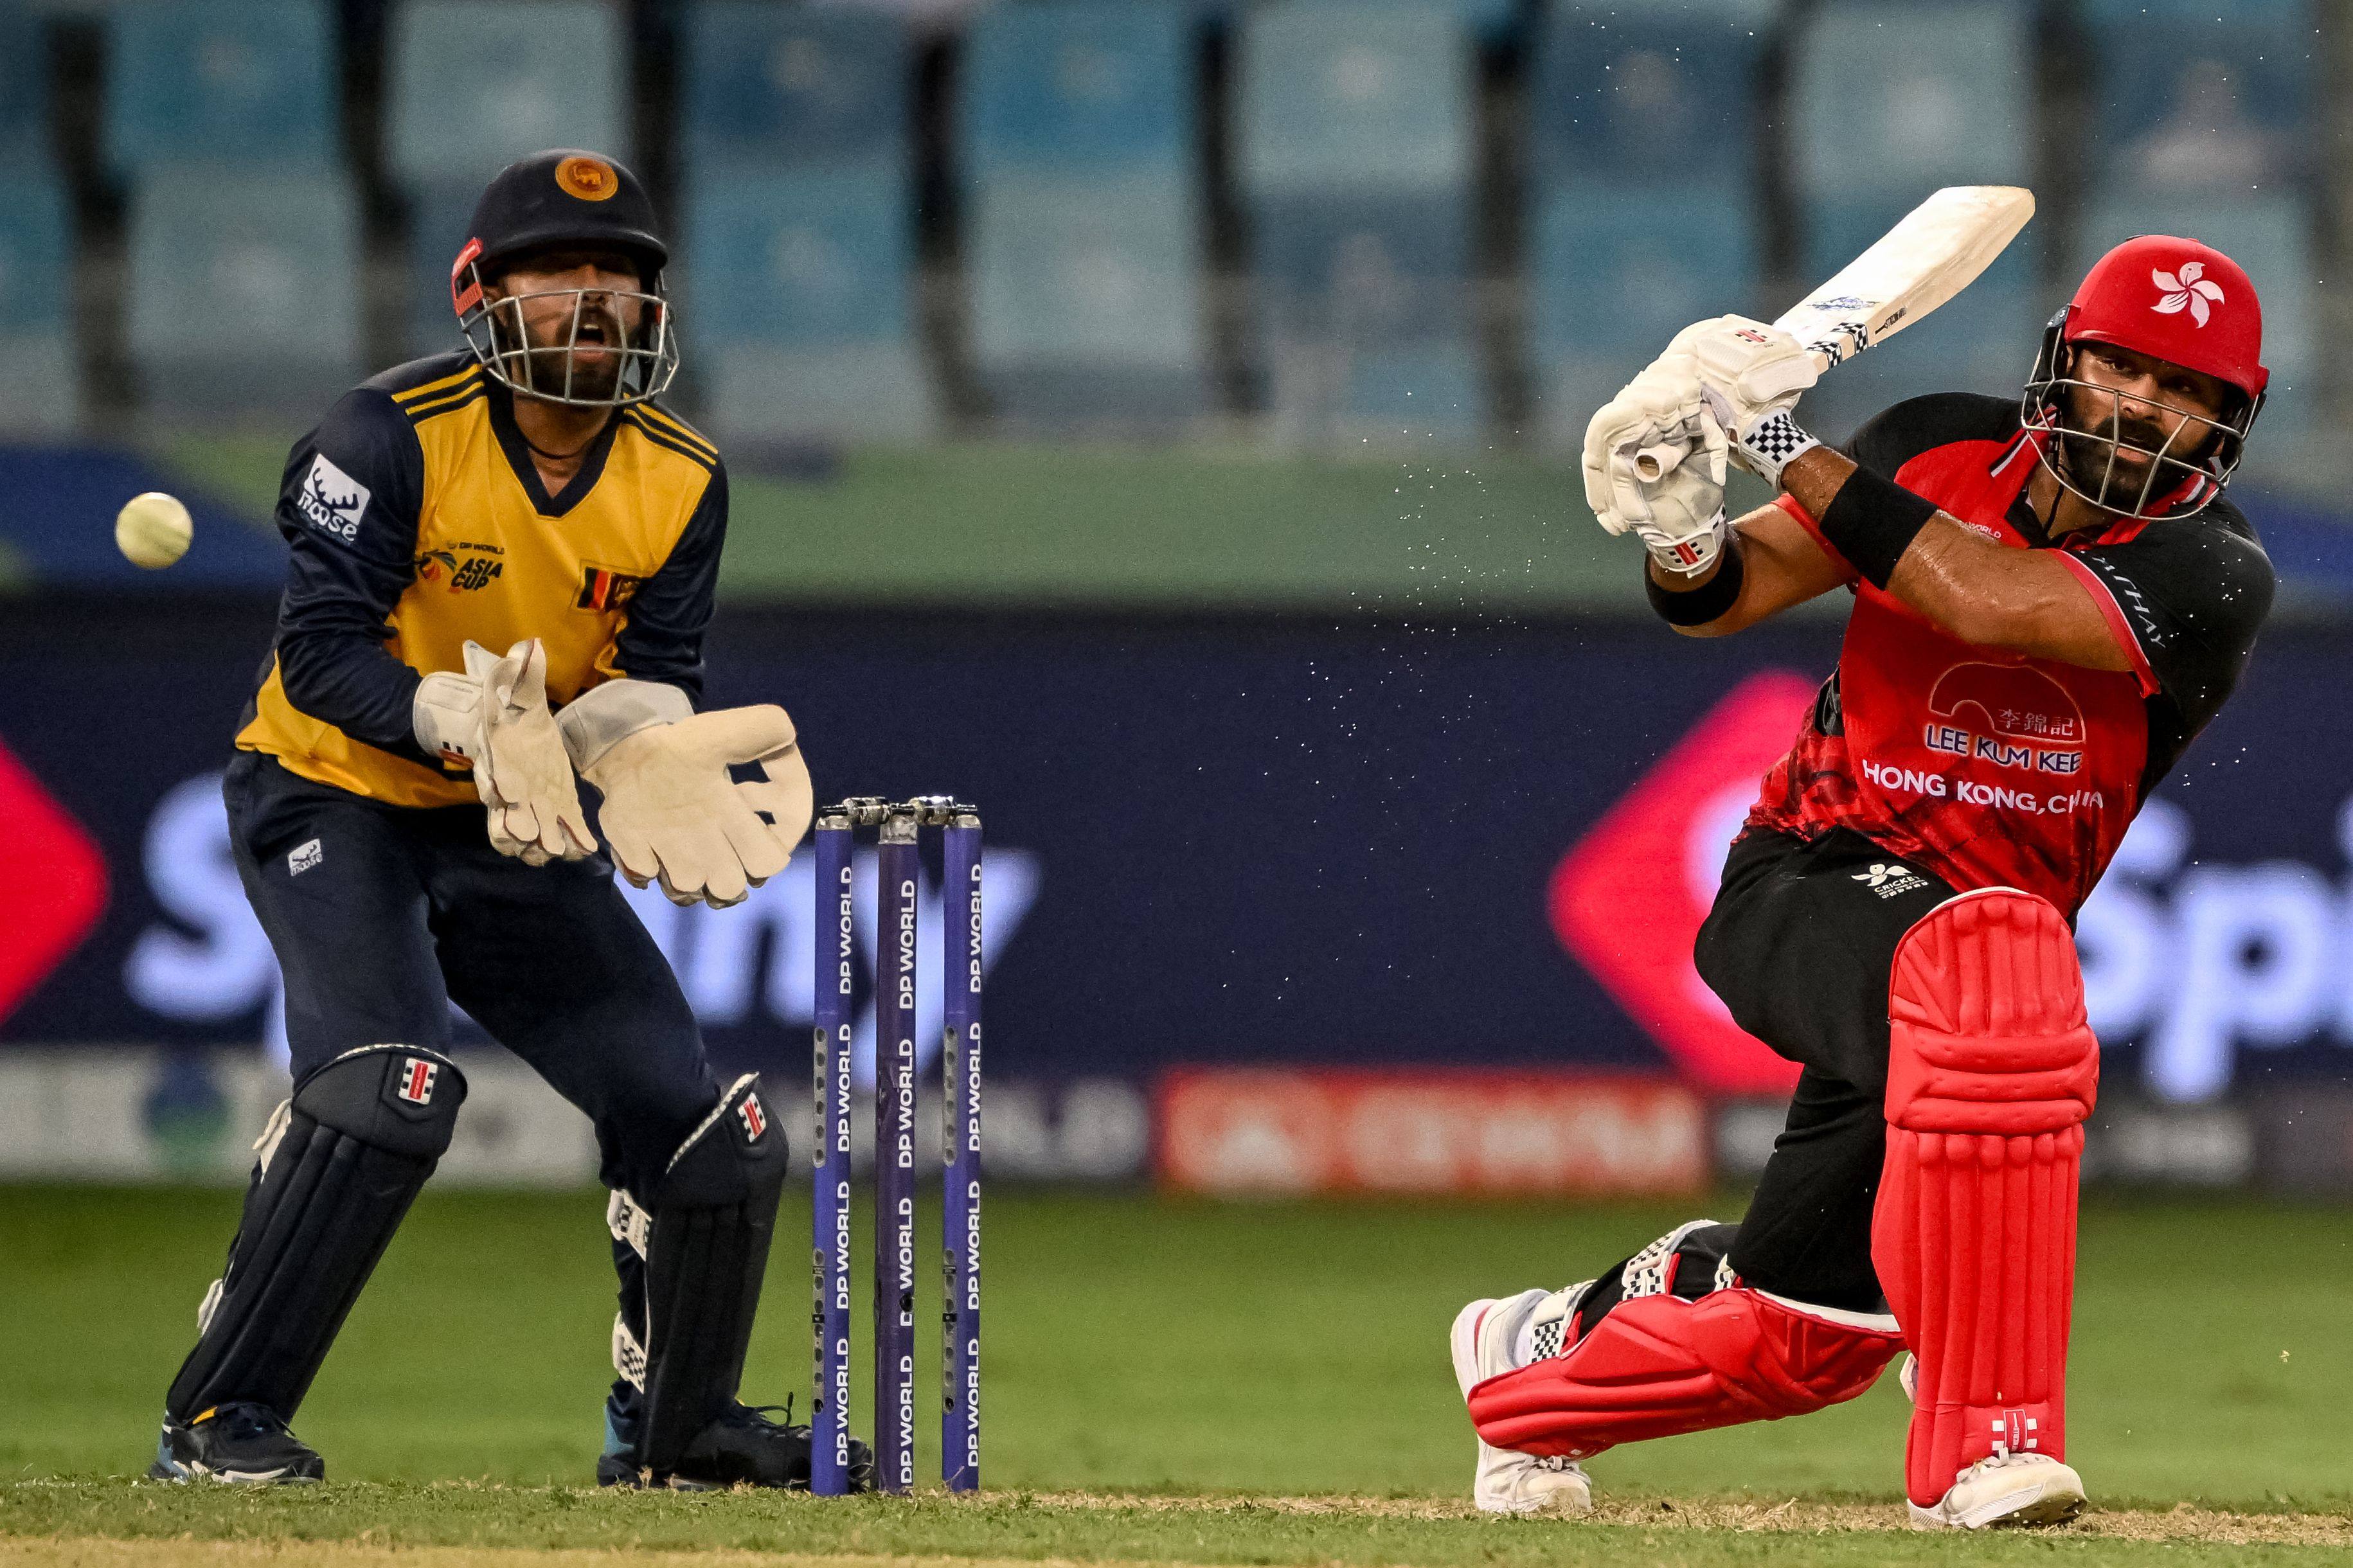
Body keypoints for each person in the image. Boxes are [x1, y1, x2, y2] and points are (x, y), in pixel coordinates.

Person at [1452, 235, 2274, 1528]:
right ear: (2067, 361)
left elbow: (1982, 597)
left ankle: (1530, 1359)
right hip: (1811, 882)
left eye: (2191, 396)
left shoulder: (2210, 574)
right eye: (2125, 368)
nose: (2149, 410)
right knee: (2005, 971)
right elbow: (1726, 594)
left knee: (1807, 1330)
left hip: (1960, 982)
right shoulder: (1930, 444)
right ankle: (1985, 1447)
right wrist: (1679, 531)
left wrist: (1772, 436)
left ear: (2230, 426)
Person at [149, 149, 872, 1493]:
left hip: (516, 819)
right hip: (335, 791)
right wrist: (460, 720)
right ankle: (220, 1419)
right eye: (556, 278)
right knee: (389, 1089)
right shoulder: (384, 436)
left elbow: (658, 667)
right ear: (481, 291)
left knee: (706, 1125)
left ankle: (675, 1429)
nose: (590, 304)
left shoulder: (681, 477)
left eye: (617, 279)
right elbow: (321, 656)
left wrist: (619, 736)